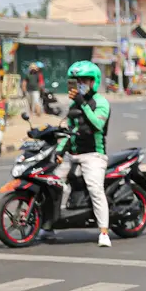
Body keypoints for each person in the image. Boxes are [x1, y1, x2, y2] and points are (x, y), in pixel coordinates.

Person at [48, 61, 113, 246]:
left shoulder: (101, 103)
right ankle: (49, 225)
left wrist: (82, 103)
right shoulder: (74, 104)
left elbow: (97, 125)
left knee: (95, 189)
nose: (81, 83)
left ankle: (103, 232)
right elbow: (70, 131)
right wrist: (60, 150)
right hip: (73, 155)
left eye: (84, 80)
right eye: (77, 81)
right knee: (52, 182)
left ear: (94, 81)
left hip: (94, 155)